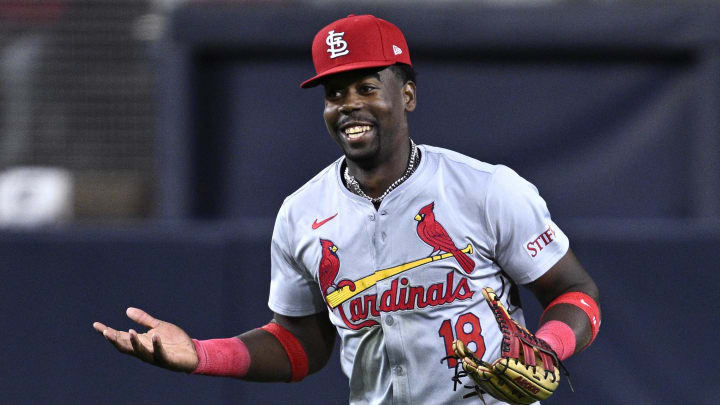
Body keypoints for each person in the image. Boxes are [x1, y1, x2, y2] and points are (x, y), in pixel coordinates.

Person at [93, 14, 601, 404]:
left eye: (366, 87)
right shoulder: (301, 213)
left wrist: (549, 346)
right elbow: (300, 347)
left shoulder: (486, 189)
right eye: (335, 93)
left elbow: (575, 293)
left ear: (407, 94)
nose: (348, 104)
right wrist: (202, 355)